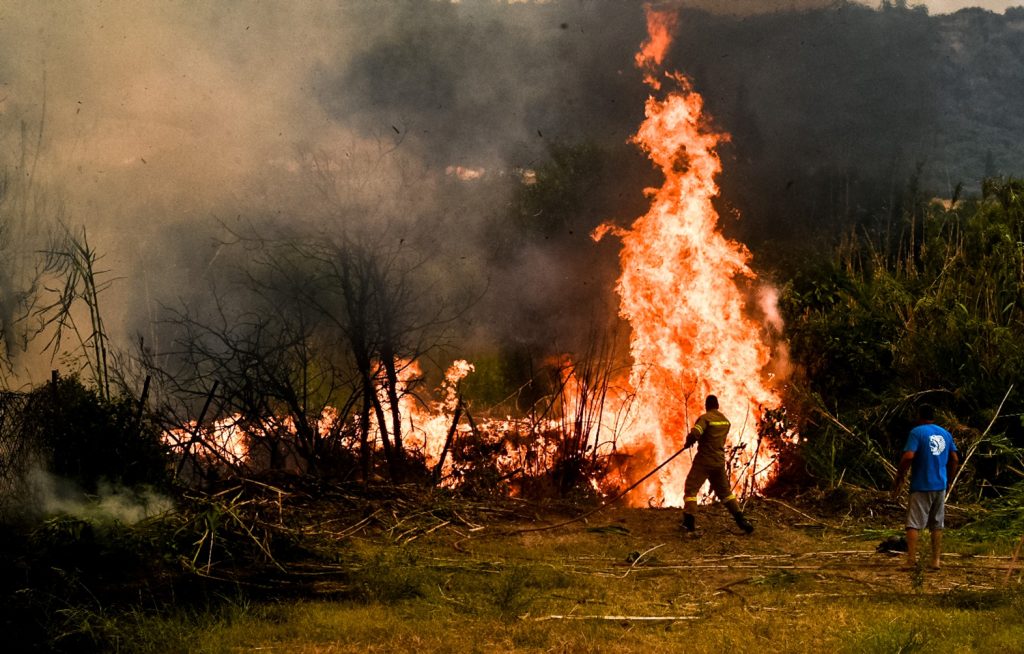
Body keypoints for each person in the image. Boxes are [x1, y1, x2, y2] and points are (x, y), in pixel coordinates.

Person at [890, 403, 959, 570]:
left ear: (919, 416)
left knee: (913, 523)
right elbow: (955, 459)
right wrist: (949, 480)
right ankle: (936, 561)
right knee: (937, 524)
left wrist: (900, 475)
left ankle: (911, 560)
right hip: (940, 485)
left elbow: (908, 456)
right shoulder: (945, 433)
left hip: (921, 484)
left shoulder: (917, 432)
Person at [681, 394, 754, 534]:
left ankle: (688, 522)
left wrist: (689, 441)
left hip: (704, 461)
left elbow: (696, 433)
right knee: (725, 493)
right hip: (719, 462)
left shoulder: (705, 418)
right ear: (718, 406)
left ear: (707, 406)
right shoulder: (725, 421)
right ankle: (741, 520)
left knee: (691, 488)